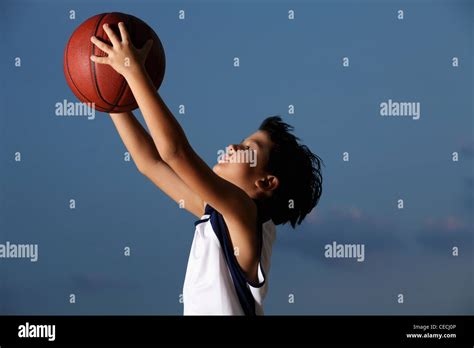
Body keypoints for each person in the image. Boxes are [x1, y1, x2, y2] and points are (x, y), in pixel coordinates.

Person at [90, 22, 323, 315]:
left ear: (266, 182)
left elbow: (175, 152)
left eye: (249, 150)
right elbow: (150, 162)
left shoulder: (245, 215)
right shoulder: (221, 215)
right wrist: (112, 97)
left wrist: (133, 72)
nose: (233, 148)